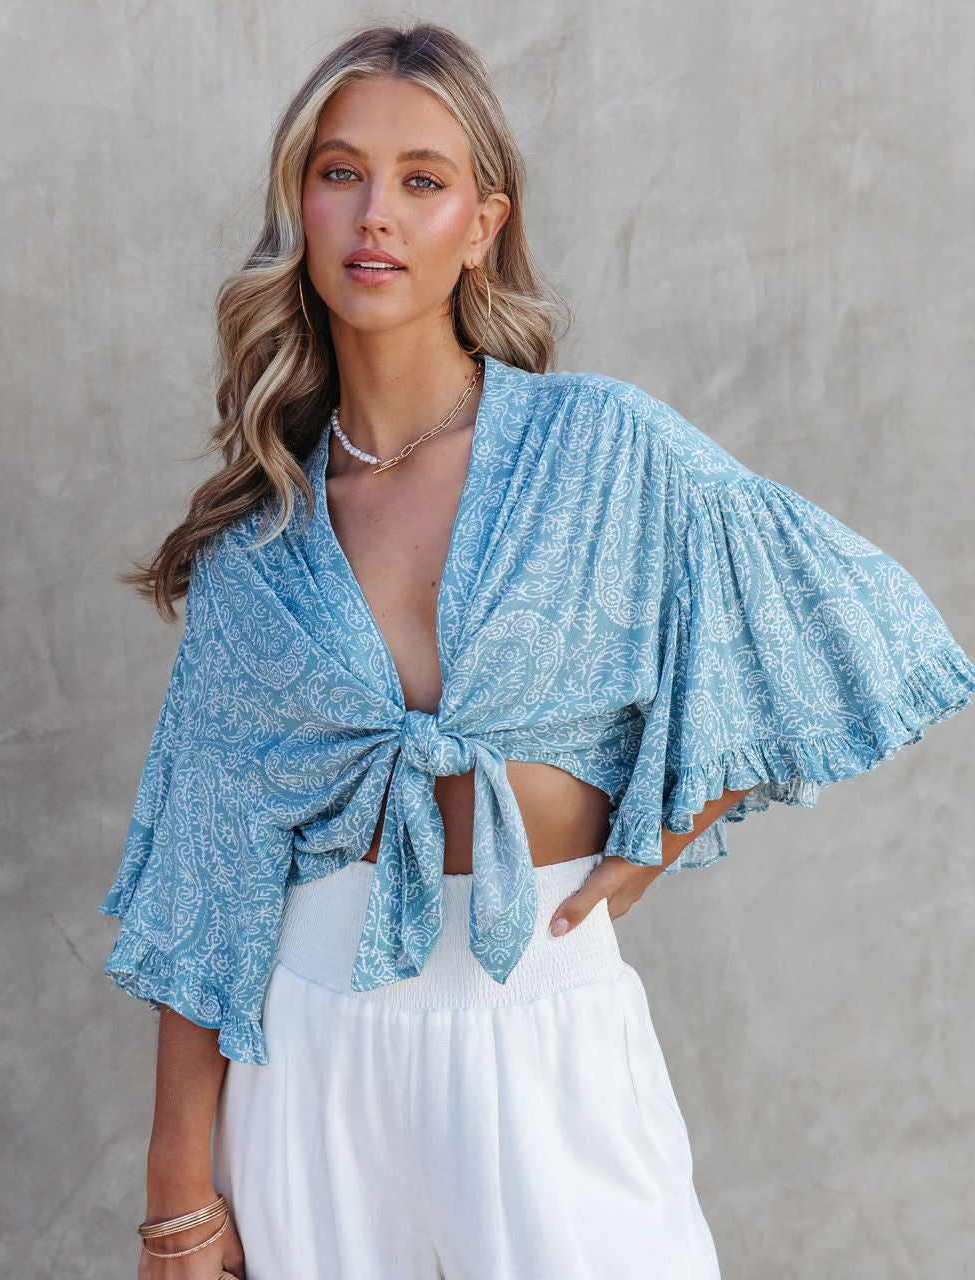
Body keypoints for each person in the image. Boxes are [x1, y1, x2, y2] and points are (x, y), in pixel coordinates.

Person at [99, 21, 975, 1280]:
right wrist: (177, 1196)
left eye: (422, 179)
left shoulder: (602, 449)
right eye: (341, 172)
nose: (375, 214)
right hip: (307, 1055)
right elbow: (203, 879)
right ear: (302, 205)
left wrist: (663, 826)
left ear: (483, 222)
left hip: (542, 1022)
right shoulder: (264, 538)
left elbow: (857, 621)